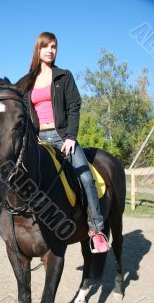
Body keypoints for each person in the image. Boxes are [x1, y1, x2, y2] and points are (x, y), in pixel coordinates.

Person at [24, 32, 109, 253]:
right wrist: (32, 135)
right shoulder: (28, 81)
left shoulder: (63, 76)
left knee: (85, 177)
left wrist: (71, 137)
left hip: (63, 137)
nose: (50, 50)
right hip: (39, 140)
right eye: (46, 46)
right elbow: (25, 112)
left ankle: (96, 230)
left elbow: (74, 107)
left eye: (54, 46)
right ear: (38, 49)